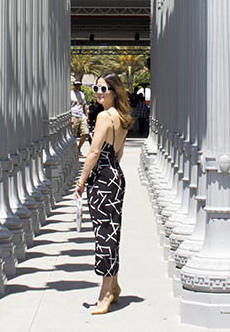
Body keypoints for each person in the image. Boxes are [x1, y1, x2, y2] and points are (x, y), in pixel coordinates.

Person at [75, 72, 133, 315]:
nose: (99, 92)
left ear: (115, 92)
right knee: (112, 229)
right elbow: (118, 153)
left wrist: (81, 180)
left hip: (101, 180)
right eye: (97, 88)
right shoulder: (122, 117)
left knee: (104, 234)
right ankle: (115, 284)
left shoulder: (103, 117)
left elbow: (94, 152)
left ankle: (105, 293)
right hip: (116, 177)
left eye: (104, 89)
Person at [70, 80, 89, 155]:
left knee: (85, 133)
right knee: (73, 134)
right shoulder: (70, 94)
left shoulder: (81, 94)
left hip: (81, 115)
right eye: (76, 85)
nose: (77, 87)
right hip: (74, 115)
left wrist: (87, 116)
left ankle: (78, 148)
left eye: (79, 85)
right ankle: (74, 151)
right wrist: (70, 116)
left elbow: (84, 105)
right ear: (73, 85)